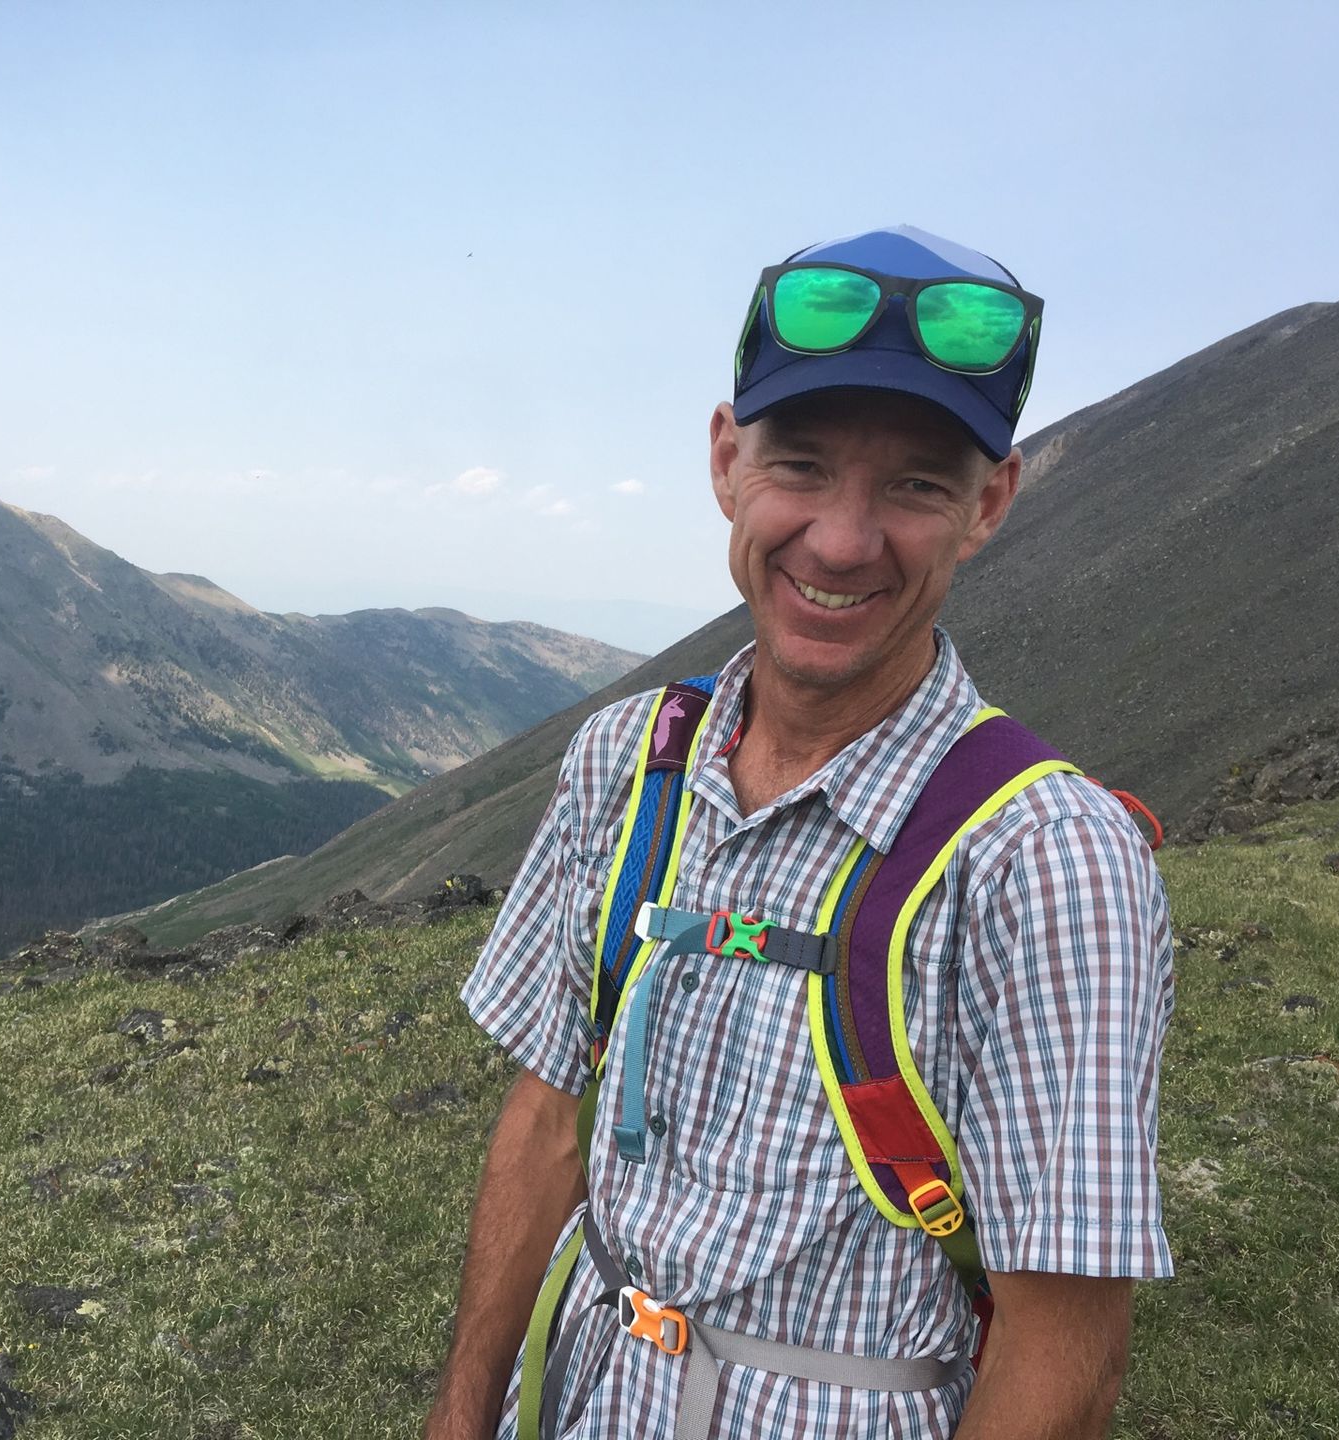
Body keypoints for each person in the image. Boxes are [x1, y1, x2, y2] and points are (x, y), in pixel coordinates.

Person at [424, 225, 1174, 1440]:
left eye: (918, 485)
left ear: (991, 503)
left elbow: (1064, 1344)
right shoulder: (627, 760)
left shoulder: (1050, 861)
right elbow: (547, 1117)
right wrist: (462, 1417)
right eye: (803, 466)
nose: (840, 539)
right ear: (727, 463)